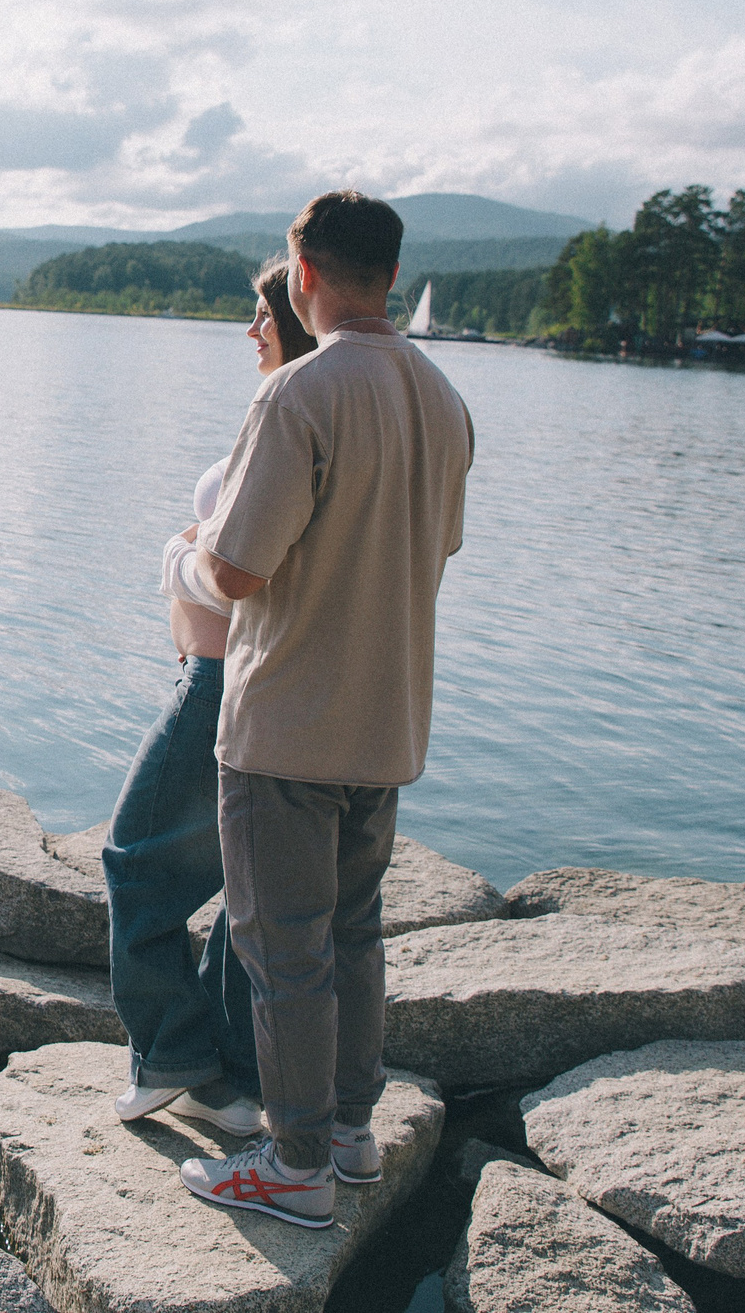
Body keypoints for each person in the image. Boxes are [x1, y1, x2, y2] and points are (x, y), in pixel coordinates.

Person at [166, 190, 473, 1229]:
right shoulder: (442, 397)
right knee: (351, 933)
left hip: (287, 719)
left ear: (303, 274)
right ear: (389, 272)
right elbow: (435, 547)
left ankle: (293, 1161)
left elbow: (239, 571)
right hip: (387, 722)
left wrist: (183, 555)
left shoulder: (299, 392)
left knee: (278, 946)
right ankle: (346, 1131)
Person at [102, 258, 317, 1137]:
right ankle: (228, 1074)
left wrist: (174, 554)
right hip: (261, 683)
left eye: (261, 313)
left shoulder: (287, 414)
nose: (250, 328)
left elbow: (242, 580)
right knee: (240, 882)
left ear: (293, 314)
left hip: (221, 683)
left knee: (135, 862)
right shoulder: (309, 411)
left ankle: (177, 1056)